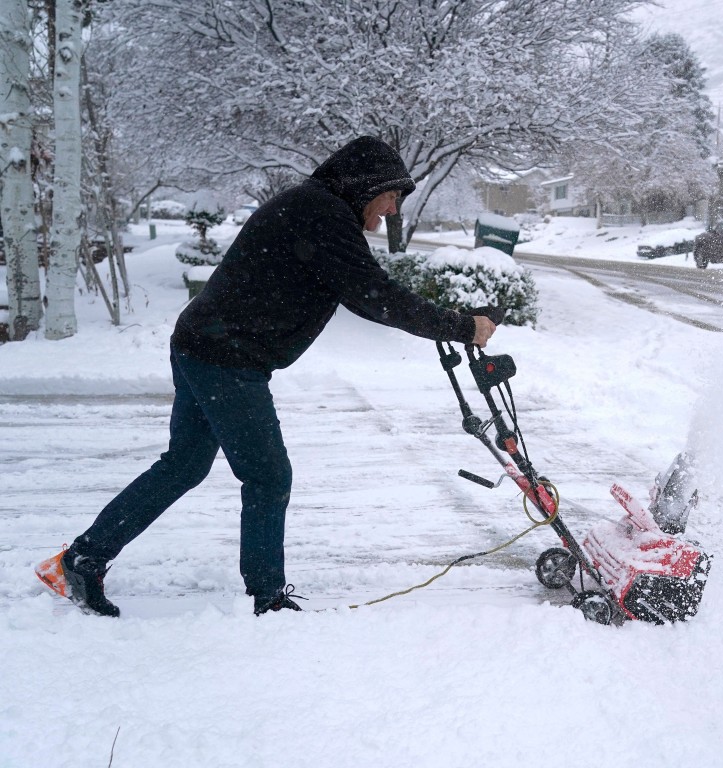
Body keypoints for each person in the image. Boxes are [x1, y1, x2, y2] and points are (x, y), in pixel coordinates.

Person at [35, 136, 497, 617]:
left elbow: (367, 291)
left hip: (203, 344)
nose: (392, 212)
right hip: (226, 358)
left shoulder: (315, 207)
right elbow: (375, 295)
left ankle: (82, 559)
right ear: (368, 186)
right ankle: (267, 597)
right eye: (392, 199)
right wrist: (462, 326)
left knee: (184, 466)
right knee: (268, 475)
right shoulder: (323, 214)